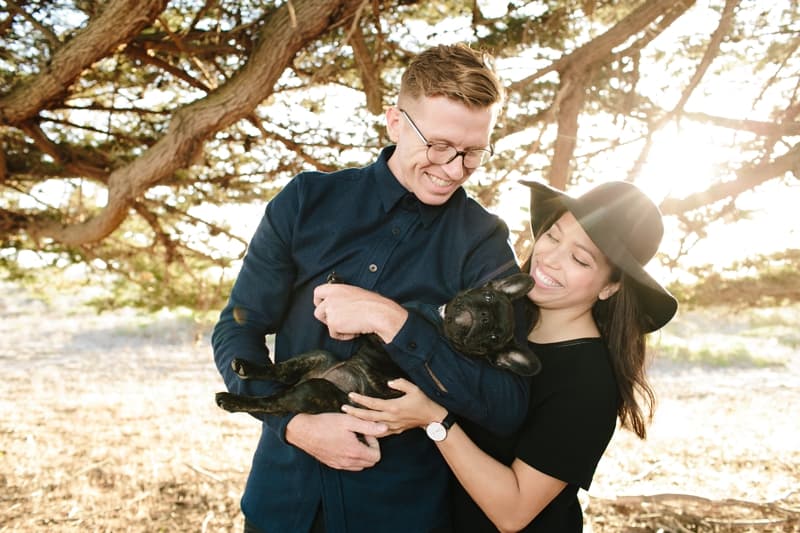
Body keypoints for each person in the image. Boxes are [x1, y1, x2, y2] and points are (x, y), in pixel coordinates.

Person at [212, 43, 531, 533]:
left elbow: (506, 404)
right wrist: (295, 426)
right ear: (395, 122)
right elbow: (238, 328)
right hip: (280, 507)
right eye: (440, 146)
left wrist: (394, 321)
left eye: (473, 153)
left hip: (400, 515)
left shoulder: (483, 242)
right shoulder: (305, 201)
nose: (453, 170)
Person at [344, 180, 679, 532]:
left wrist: (435, 421)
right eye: (553, 236)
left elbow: (514, 512)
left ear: (611, 286)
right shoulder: (500, 322)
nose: (550, 258)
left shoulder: (589, 383)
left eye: (580, 258)